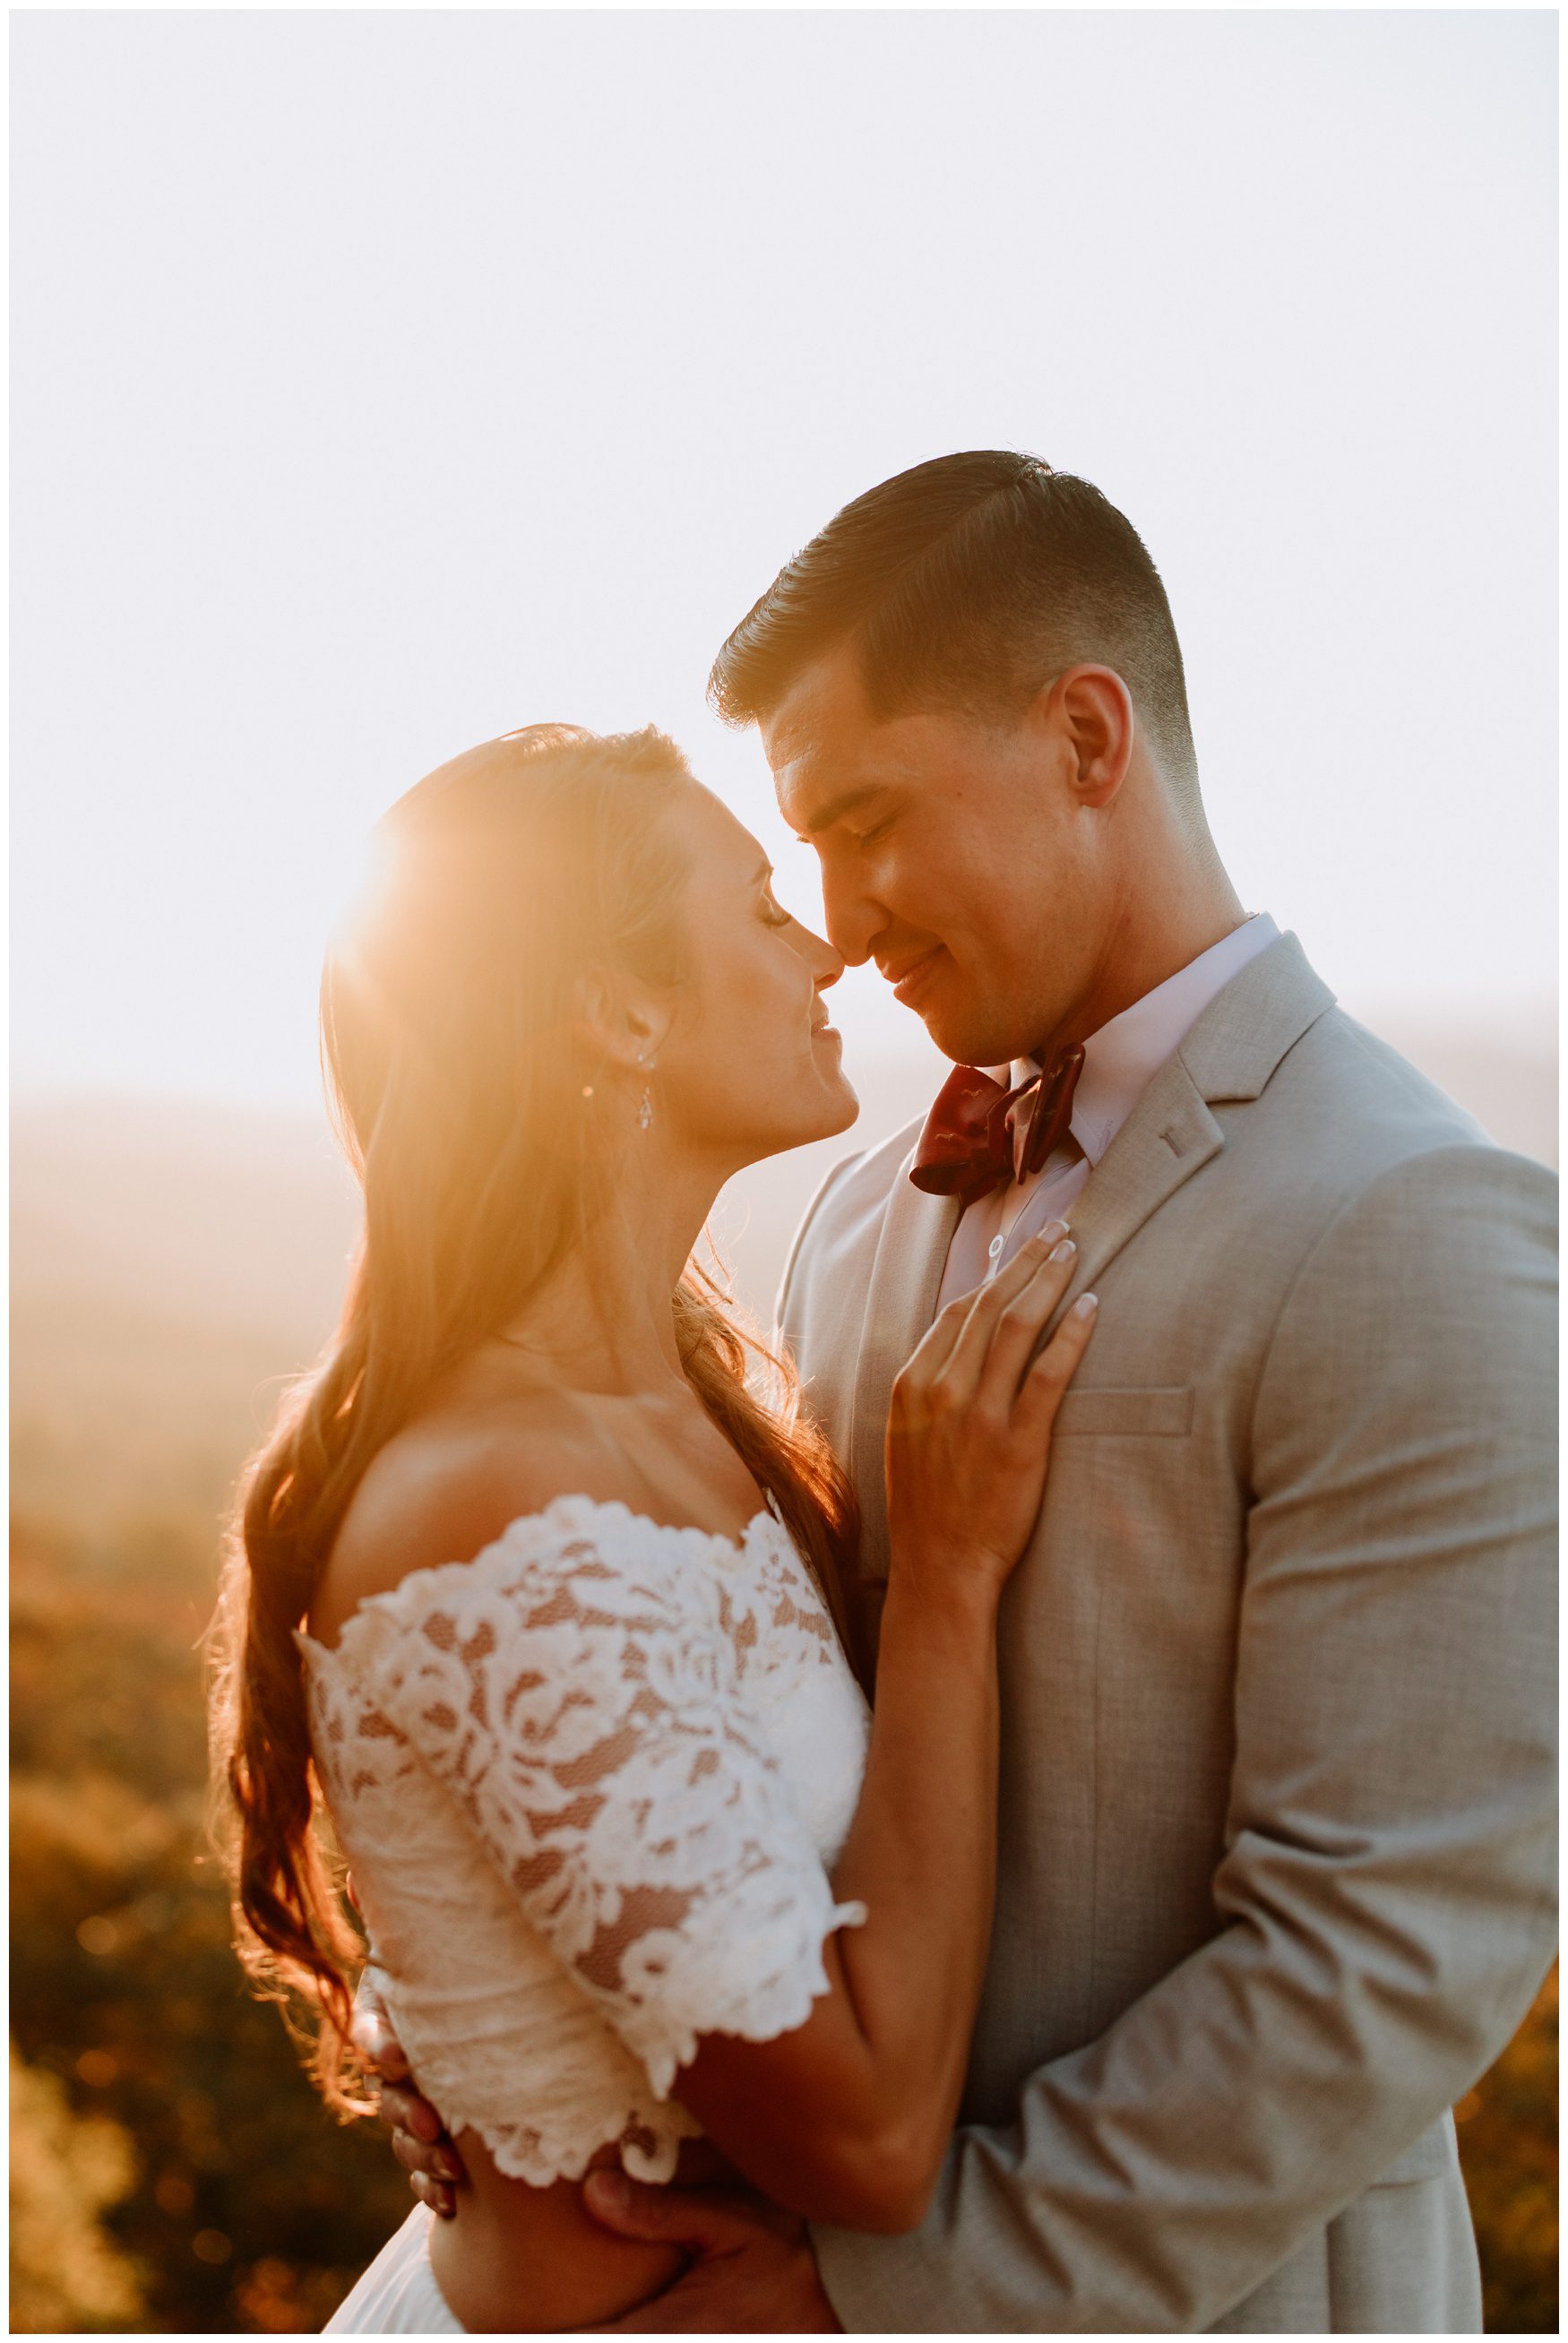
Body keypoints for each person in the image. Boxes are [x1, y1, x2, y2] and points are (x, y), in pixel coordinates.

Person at [381, 456, 1557, 2332]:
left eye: (864, 821)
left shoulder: (1416, 1226)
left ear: (1084, 739)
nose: (836, 920)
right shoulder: (854, 1211)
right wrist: (504, 2033)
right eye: (800, 855)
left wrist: (880, 2297)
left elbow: (1388, 1956)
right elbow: (687, 1718)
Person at [208, 719, 1102, 2332]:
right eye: (760, 906)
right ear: (617, 1011)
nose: (823, 941)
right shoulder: (491, 1502)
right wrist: (949, 1584)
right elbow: (874, 2143)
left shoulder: (708, 1418)